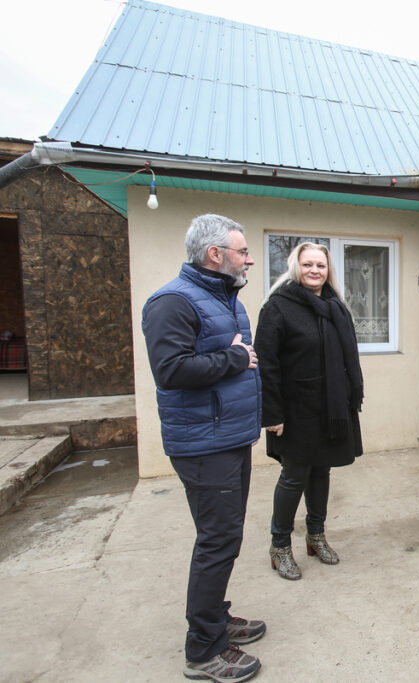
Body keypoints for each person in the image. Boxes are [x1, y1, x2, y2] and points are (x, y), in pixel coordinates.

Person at [142, 214, 265, 682]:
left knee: (226, 537)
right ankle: (203, 650)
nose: (249, 258)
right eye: (243, 251)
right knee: (216, 541)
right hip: (202, 443)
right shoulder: (172, 302)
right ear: (216, 255)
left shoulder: (227, 299)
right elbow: (170, 370)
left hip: (230, 437)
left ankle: (216, 618)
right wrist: (233, 357)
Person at [254, 242, 364, 581]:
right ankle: (280, 546)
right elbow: (267, 366)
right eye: (308, 264)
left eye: (321, 265)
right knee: (293, 477)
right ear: (295, 267)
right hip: (296, 409)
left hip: (330, 408)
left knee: (322, 472)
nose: (315, 270)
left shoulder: (335, 306)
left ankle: (316, 536)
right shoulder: (278, 307)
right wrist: (272, 415)